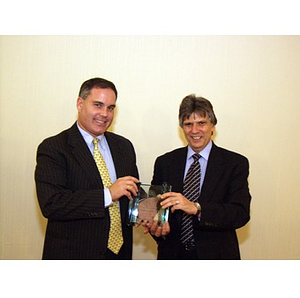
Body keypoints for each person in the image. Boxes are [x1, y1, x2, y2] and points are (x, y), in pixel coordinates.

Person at [35, 77, 139, 259]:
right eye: (98, 105)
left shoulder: (124, 147)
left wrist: (151, 216)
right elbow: (52, 204)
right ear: (80, 103)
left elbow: (133, 195)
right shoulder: (54, 148)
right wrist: (108, 194)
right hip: (73, 255)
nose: (105, 114)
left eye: (110, 107)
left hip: (119, 255)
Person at [146, 94, 251, 259]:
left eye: (201, 123)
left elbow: (239, 213)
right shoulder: (164, 162)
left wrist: (196, 208)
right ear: (182, 128)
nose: (194, 130)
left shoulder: (235, 163)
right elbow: (155, 210)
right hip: (172, 255)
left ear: (213, 126)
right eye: (188, 124)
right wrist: (157, 226)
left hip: (217, 256)